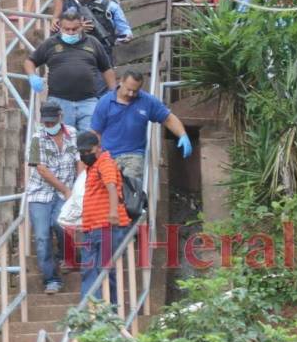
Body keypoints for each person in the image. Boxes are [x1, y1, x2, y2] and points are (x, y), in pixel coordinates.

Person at [91, 69, 192, 186]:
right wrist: (96, 156)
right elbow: (95, 132)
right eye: (128, 89)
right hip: (108, 156)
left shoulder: (147, 101)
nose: (131, 94)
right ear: (121, 82)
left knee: (130, 191)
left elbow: (168, 118)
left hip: (134, 155)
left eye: (135, 91)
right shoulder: (105, 102)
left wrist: (183, 135)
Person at [24, 9, 116, 131]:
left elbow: (106, 69)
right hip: (59, 102)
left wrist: (113, 93)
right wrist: (32, 76)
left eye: (75, 29)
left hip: (88, 102)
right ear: (60, 26)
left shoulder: (93, 42)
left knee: (91, 140)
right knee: (64, 143)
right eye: (67, 29)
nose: (71, 32)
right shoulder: (50, 43)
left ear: (81, 25)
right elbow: (30, 61)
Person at [27, 101, 84, 294]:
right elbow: (41, 169)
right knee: (42, 237)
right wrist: (66, 190)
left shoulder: (73, 133)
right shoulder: (37, 138)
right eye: (46, 123)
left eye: (53, 122)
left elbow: (79, 160)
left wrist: (78, 186)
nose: (49, 126)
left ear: (61, 117)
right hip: (40, 194)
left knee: (62, 226)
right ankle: (51, 279)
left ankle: (66, 255)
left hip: (66, 190)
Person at [76, 131, 130, 304]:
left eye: (88, 151)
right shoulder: (92, 167)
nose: (85, 155)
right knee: (90, 270)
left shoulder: (104, 162)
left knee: (104, 271)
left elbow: (111, 187)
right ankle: (90, 313)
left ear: (98, 148)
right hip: (92, 228)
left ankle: (106, 313)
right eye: (82, 153)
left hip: (107, 226)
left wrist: (113, 212)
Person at [66, 0, 132, 64]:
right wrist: (79, 29)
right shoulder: (76, 7)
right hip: (81, 53)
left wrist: (123, 38)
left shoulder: (111, 6)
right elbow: (64, 32)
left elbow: (125, 30)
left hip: (104, 53)